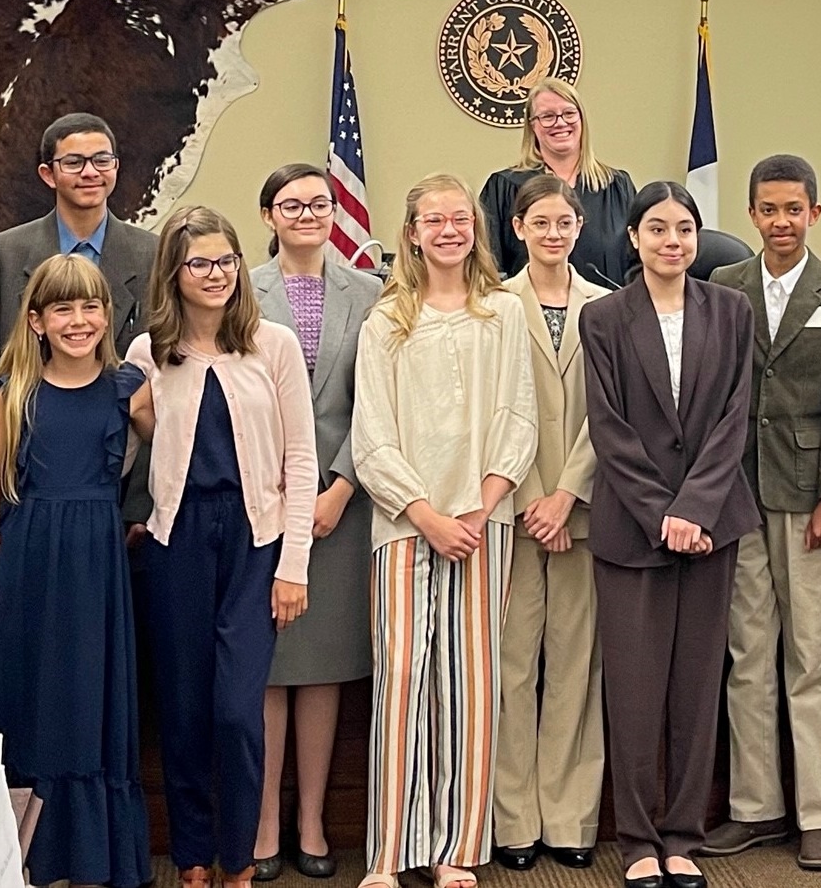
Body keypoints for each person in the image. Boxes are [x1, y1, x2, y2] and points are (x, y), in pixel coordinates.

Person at [351, 174, 537, 888]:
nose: (449, 230)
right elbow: (372, 436)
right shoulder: (385, 321)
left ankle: (455, 847)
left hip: (482, 523)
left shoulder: (501, 314)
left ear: (474, 228)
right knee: (402, 677)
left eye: (459, 218)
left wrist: (481, 507)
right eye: (435, 219)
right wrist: (425, 513)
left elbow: (518, 417)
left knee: (470, 683)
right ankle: (389, 852)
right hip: (405, 524)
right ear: (412, 231)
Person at [123, 206, 316, 888]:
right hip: (175, 542)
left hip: (253, 540)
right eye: (199, 262)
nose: (215, 274)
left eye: (226, 260)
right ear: (173, 273)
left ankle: (238, 859)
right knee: (181, 709)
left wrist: (292, 566)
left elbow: (301, 463)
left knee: (237, 711)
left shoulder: (275, 345)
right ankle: (194, 858)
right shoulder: (147, 353)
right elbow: (126, 447)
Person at [581, 181, 756, 888]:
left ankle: (682, 833)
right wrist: (663, 512)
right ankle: (636, 840)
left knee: (695, 685)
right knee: (633, 687)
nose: (672, 241)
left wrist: (696, 508)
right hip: (633, 529)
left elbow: (733, 417)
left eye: (683, 228)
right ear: (633, 238)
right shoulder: (604, 317)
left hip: (712, 525)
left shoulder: (731, 309)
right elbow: (609, 428)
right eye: (656, 229)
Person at [0, 254, 152, 888]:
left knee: (88, 699)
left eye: (90, 307)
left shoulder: (131, 387)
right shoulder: (9, 392)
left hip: (98, 566)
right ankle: (26, 855)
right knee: (33, 697)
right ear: (37, 321)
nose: (79, 321)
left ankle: (92, 858)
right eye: (63, 309)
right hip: (27, 560)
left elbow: (179, 454)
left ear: (108, 314)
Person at [704, 155, 821, 873]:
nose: (780, 221)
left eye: (792, 209)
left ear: (814, 213)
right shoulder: (723, 286)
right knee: (746, 655)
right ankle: (754, 807)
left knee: (809, 660)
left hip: (807, 499)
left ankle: (816, 814)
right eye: (767, 209)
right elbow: (710, 396)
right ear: (750, 214)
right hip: (736, 493)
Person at [249, 164, 383, 882]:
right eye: (291, 203)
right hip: (260, 503)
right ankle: (265, 818)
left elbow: (380, 401)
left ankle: (311, 821)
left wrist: (339, 484)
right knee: (268, 667)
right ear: (268, 213)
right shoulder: (239, 287)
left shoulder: (370, 292)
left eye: (319, 203)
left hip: (341, 503)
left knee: (324, 667)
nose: (307, 213)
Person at [492, 175, 610, 874]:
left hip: (583, 513)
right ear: (518, 228)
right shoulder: (493, 304)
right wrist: (534, 498)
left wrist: (566, 494)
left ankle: (568, 816)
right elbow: (494, 409)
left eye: (563, 221)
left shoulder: (605, 307)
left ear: (578, 226)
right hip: (512, 512)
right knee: (512, 668)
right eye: (540, 222)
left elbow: (611, 415)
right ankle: (513, 820)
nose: (553, 232)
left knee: (573, 668)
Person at [0, 112, 157, 473]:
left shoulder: (154, 256)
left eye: (101, 160)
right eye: (74, 162)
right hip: (25, 475)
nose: (90, 172)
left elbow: (162, 390)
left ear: (115, 167)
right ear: (48, 174)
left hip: (122, 481)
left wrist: (141, 506)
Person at [479, 78, 636, 288]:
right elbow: (488, 265)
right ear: (532, 125)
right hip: (528, 314)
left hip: (610, 315)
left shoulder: (617, 187)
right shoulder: (504, 187)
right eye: (547, 116)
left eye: (569, 113)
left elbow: (639, 262)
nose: (560, 123)